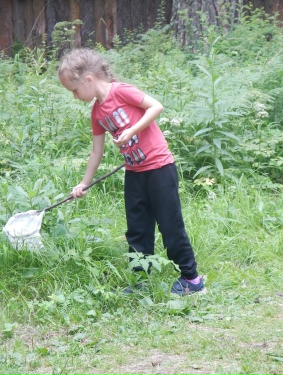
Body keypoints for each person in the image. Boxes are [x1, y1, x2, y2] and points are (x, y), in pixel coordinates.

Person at [58, 48, 204, 296]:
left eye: (74, 90)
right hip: (134, 173)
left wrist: (132, 130)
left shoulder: (121, 91)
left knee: (170, 226)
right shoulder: (97, 112)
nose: (74, 96)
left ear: (88, 79)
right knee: (137, 230)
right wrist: (83, 183)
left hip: (160, 169)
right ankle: (141, 281)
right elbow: (96, 152)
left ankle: (192, 279)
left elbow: (156, 106)